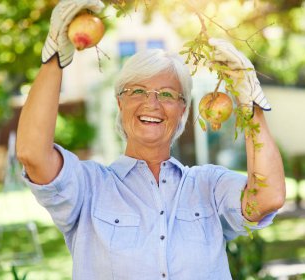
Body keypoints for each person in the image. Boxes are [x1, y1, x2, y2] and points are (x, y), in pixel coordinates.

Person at [16, 0, 286, 279]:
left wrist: (250, 105)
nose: (152, 103)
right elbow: (32, 154)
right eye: (137, 91)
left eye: (167, 94)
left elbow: (268, 198)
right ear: (120, 103)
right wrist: (55, 57)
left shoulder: (208, 186)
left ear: (183, 110)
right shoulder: (89, 187)